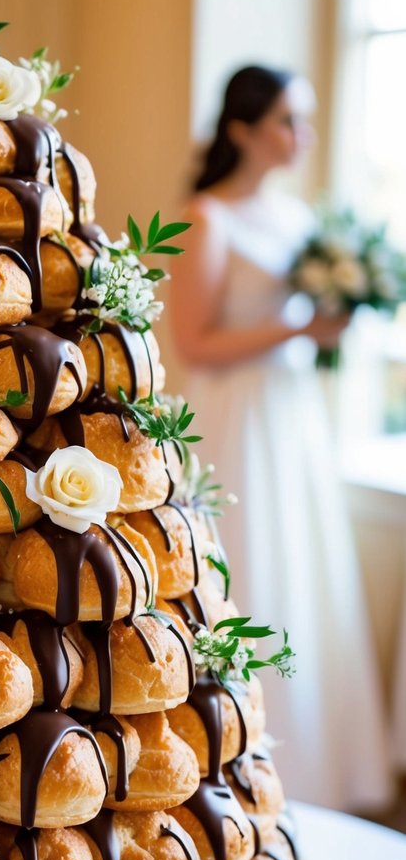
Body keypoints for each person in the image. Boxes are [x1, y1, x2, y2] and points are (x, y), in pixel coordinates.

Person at [170, 65, 392, 810]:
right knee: (244, 563)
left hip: (292, 419)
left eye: (306, 120)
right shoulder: (207, 216)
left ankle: (311, 775)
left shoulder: (298, 219)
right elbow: (194, 339)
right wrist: (299, 326)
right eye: (287, 121)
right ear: (241, 128)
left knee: (300, 569)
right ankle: (221, 765)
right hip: (235, 415)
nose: (301, 136)